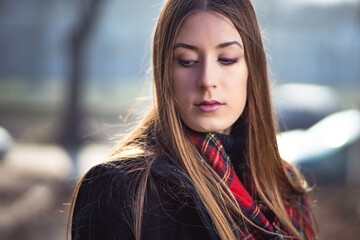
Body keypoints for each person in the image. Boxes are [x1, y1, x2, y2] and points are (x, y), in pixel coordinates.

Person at [69, 0, 317, 239]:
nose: (207, 80)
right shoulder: (121, 188)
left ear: (252, 67)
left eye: (227, 59)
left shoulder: (286, 184)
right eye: (187, 61)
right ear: (165, 71)